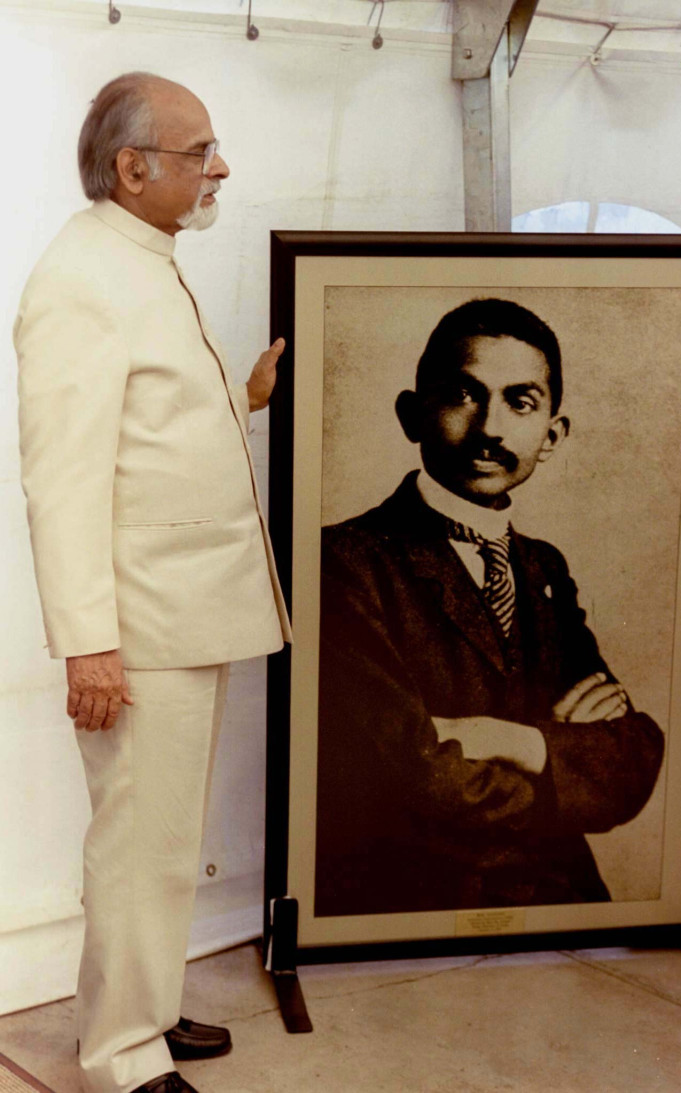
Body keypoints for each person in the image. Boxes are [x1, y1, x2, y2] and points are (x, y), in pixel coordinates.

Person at [15, 73, 291, 1093]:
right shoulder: (80, 279)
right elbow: (64, 477)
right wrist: (89, 641)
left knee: (165, 844)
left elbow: (150, 422)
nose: (219, 168)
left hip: (185, 610)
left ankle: (145, 1009)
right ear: (133, 170)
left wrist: (241, 396)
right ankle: (122, 1057)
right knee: (140, 845)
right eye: (199, 151)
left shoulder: (139, 258)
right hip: (139, 628)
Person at [316, 297, 664, 917]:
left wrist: (505, 740)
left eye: (520, 402)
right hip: (410, 902)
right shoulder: (347, 560)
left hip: (561, 898)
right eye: (464, 395)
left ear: (552, 433)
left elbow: (634, 756)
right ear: (413, 414)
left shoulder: (542, 567)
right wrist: (565, 764)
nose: (491, 429)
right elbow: (410, 778)